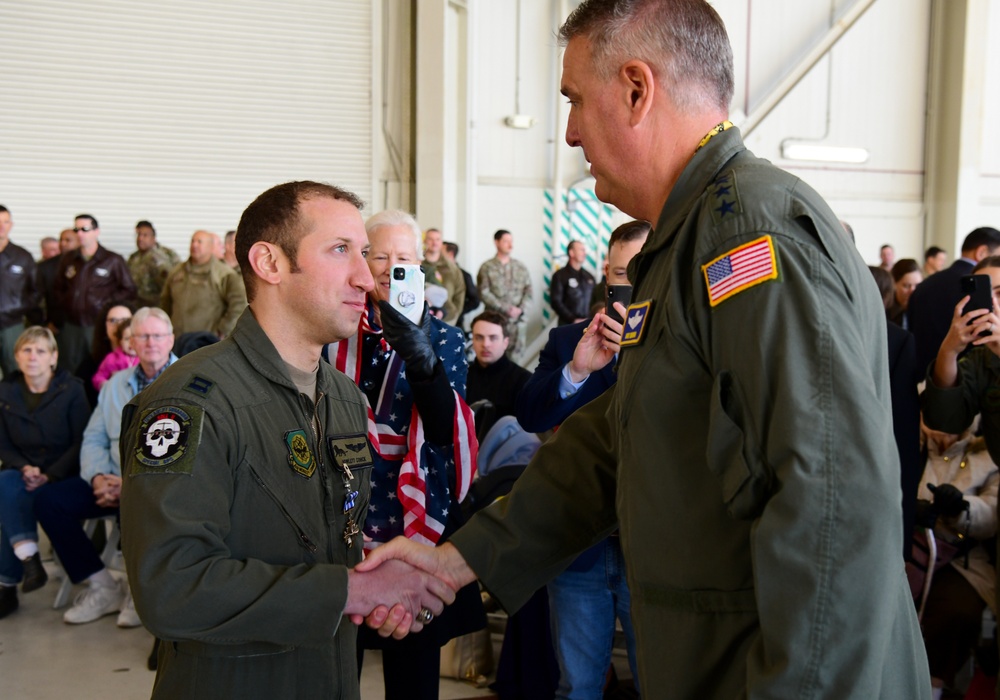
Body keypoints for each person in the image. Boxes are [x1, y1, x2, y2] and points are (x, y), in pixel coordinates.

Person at [358, 1, 929, 697]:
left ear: (636, 89)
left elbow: (833, 505)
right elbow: (618, 441)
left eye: (573, 100)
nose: (568, 133)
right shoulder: (686, 242)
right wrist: (452, 563)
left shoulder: (749, 240)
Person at [119, 181, 454, 699]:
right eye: (341, 250)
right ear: (269, 264)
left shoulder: (343, 398)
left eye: (363, 254)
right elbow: (170, 587)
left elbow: (321, 536)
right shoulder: (191, 401)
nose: (367, 278)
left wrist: (377, 576)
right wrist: (352, 590)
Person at [325, 208, 483, 700]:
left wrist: (422, 361)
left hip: (415, 506)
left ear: (420, 268)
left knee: (413, 665)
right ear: (362, 262)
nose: (391, 268)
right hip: (338, 507)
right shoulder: (333, 329)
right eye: (380, 256)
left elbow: (444, 432)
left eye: (404, 258)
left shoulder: (447, 339)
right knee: (332, 656)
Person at [515, 219, 648, 700]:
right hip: (579, 548)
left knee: (661, 682)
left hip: (650, 547)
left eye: (641, 272)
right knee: (577, 687)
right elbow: (530, 413)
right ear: (605, 277)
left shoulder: (687, 344)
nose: (628, 286)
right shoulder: (569, 340)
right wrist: (576, 370)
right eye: (619, 274)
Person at [36, 307, 177, 627]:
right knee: (49, 501)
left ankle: (137, 591)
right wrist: (99, 477)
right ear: (131, 342)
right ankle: (103, 585)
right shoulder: (115, 383)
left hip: (159, 487)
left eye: (157, 335)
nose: (150, 342)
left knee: (136, 506)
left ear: (171, 339)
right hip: (112, 477)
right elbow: (94, 437)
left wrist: (131, 485)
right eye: (142, 336)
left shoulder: (190, 380)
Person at [0, 327, 89, 618]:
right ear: (16, 356)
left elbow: (81, 439)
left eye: (40, 351)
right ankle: (29, 560)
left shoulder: (71, 388)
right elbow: (2, 443)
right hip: (20, 469)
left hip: (62, 472)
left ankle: (7, 584)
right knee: (5, 485)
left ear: (53, 357)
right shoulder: (5, 391)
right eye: (26, 350)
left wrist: (49, 474)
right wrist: (24, 467)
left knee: (8, 503)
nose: (33, 357)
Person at [911, 420, 997, 699]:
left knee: (955, 613)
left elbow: (992, 513)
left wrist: (961, 508)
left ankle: (932, 690)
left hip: (962, 558)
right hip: (908, 545)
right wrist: (907, 509)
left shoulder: (987, 452)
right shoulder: (907, 435)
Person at [908, 226, 1000, 374]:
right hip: (955, 380)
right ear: (982, 252)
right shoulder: (978, 358)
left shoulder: (924, 286)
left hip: (918, 376)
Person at [54, 214, 137, 374]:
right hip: (72, 325)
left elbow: (129, 289)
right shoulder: (69, 259)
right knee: (70, 368)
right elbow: (58, 288)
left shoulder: (112, 260)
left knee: (100, 367)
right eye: (76, 229)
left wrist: (106, 306)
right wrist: (67, 304)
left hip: (98, 325)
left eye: (85, 229)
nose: (80, 233)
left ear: (96, 231)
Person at [159, 229, 247, 337]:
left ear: (210, 247)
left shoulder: (224, 274)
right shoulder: (176, 272)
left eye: (199, 242)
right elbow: (165, 302)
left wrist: (223, 331)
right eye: (193, 241)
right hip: (178, 342)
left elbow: (239, 304)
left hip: (208, 343)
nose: (195, 245)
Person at [466, 310, 532, 439]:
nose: (485, 344)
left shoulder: (524, 380)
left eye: (493, 338)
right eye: (479, 337)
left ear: (505, 342)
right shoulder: (462, 376)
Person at [477, 230, 533, 358]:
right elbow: (484, 292)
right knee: (494, 358)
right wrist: (506, 308)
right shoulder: (487, 267)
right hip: (495, 322)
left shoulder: (520, 267)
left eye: (511, 241)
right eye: (506, 241)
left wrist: (520, 310)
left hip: (517, 322)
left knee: (516, 361)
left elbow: (529, 291)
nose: (510, 245)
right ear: (496, 242)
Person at [0, 205, 41, 377]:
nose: (1, 226)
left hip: (13, 325)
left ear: (11, 225)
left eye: (5, 221)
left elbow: (36, 290)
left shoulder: (22, 256)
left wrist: (18, 308)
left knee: (16, 372)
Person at [127, 220, 181, 307]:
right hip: (137, 307)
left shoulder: (163, 256)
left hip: (157, 307)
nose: (140, 238)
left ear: (153, 238)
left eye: (145, 235)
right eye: (138, 235)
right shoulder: (133, 258)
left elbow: (171, 284)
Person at [36, 228, 79, 332]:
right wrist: (43, 323)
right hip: (53, 324)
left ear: (78, 241)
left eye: (68, 240)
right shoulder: (45, 267)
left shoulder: (88, 265)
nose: (63, 243)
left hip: (81, 323)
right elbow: (36, 298)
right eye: (61, 240)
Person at [422, 227, 466, 326]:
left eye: (437, 239)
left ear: (441, 242)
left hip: (448, 320)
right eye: (430, 239)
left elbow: (460, 292)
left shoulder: (452, 268)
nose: (434, 243)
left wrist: (455, 314)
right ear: (424, 241)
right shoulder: (417, 264)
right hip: (423, 321)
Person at [549, 240, 595, 325]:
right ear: (571, 253)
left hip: (588, 326)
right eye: (581, 250)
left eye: (584, 250)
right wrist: (573, 319)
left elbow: (595, 301)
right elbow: (555, 302)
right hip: (567, 326)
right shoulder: (559, 276)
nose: (584, 253)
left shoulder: (589, 277)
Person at [92, 317, 139, 391]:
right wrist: (105, 384)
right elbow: (98, 377)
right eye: (127, 338)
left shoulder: (144, 359)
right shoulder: (112, 359)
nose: (131, 342)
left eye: (135, 338)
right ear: (120, 341)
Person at [442, 241, 480, 329]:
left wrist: (455, 311)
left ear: (450, 254)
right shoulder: (437, 272)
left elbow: (475, 301)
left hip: (455, 325)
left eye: (441, 252)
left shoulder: (464, 275)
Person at [887, 258, 922, 330]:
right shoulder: (886, 311)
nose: (912, 291)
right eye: (906, 286)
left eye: (917, 286)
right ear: (894, 284)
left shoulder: (925, 310)